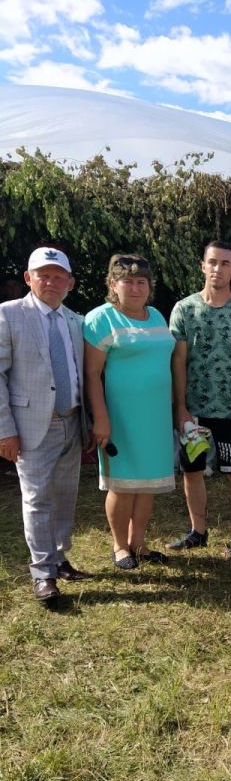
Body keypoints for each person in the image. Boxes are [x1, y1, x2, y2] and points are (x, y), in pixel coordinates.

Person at [0, 246, 91, 605]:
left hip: (71, 421)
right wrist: (5, 429)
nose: (51, 282)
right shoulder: (8, 315)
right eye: (43, 275)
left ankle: (58, 556)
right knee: (37, 499)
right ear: (28, 278)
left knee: (65, 494)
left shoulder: (75, 320)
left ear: (69, 282)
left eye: (58, 276)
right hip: (30, 425)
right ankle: (42, 573)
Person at [83, 254, 175, 569]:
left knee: (147, 482)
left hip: (155, 416)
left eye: (141, 282)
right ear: (113, 284)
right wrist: (101, 417)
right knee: (122, 484)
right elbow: (92, 373)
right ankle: (120, 547)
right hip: (121, 417)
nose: (135, 289)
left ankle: (139, 543)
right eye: (127, 281)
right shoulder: (101, 319)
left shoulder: (158, 317)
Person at [167, 241, 231, 558]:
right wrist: (180, 407)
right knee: (192, 471)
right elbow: (177, 362)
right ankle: (198, 531)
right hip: (193, 411)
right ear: (203, 266)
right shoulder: (184, 309)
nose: (217, 268)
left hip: (230, 411)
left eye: (224, 263)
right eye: (212, 262)